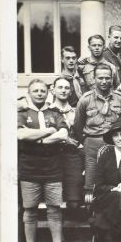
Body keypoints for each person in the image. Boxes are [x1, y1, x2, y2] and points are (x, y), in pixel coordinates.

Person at [17, 79, 79, 242]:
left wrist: (37, 139)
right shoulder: (22, 113)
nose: (39, 93)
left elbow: (63, 134)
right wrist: (49, 131)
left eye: (42, 91)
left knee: (54, 208)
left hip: (53, 168)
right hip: (29, 168)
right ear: (29, 93)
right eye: (35, 91)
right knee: (30, 209)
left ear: (47, 93)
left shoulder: (55, 113)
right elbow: (20, 134)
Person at [73, 63, 121, 189]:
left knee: (115, 183)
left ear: (112, 78)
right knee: (91, 184)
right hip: (92, 146)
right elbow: (77, 125)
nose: (104, 81)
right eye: (100, 78)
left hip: (115, 145)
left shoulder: (120, 99)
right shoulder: (85, 99)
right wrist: (87, 141)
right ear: (94, 78)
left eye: (107, 78)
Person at [49, 76, 84, 213]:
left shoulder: (76, 113)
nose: (63, 90)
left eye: (66, 88)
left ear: (70, 92)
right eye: (60, 87)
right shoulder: (46, 112)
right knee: (53, 200)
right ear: (53, 90)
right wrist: (63, 139)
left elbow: (81, 134)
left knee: (73, 203)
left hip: (72, 155)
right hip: (52, 155)